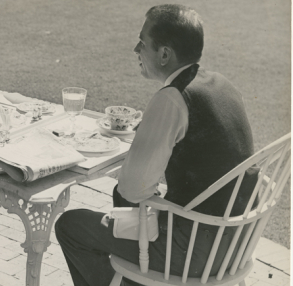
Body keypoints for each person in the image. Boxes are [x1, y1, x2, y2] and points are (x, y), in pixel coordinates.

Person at [55, 4, 258, 286]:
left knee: (71, 226)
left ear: (164, 54)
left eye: (142, 42)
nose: (135, 50)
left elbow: (133, 189)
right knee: (129, 209)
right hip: (239, 239)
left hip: (197, 250)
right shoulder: (222, 84)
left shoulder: (173, 98)